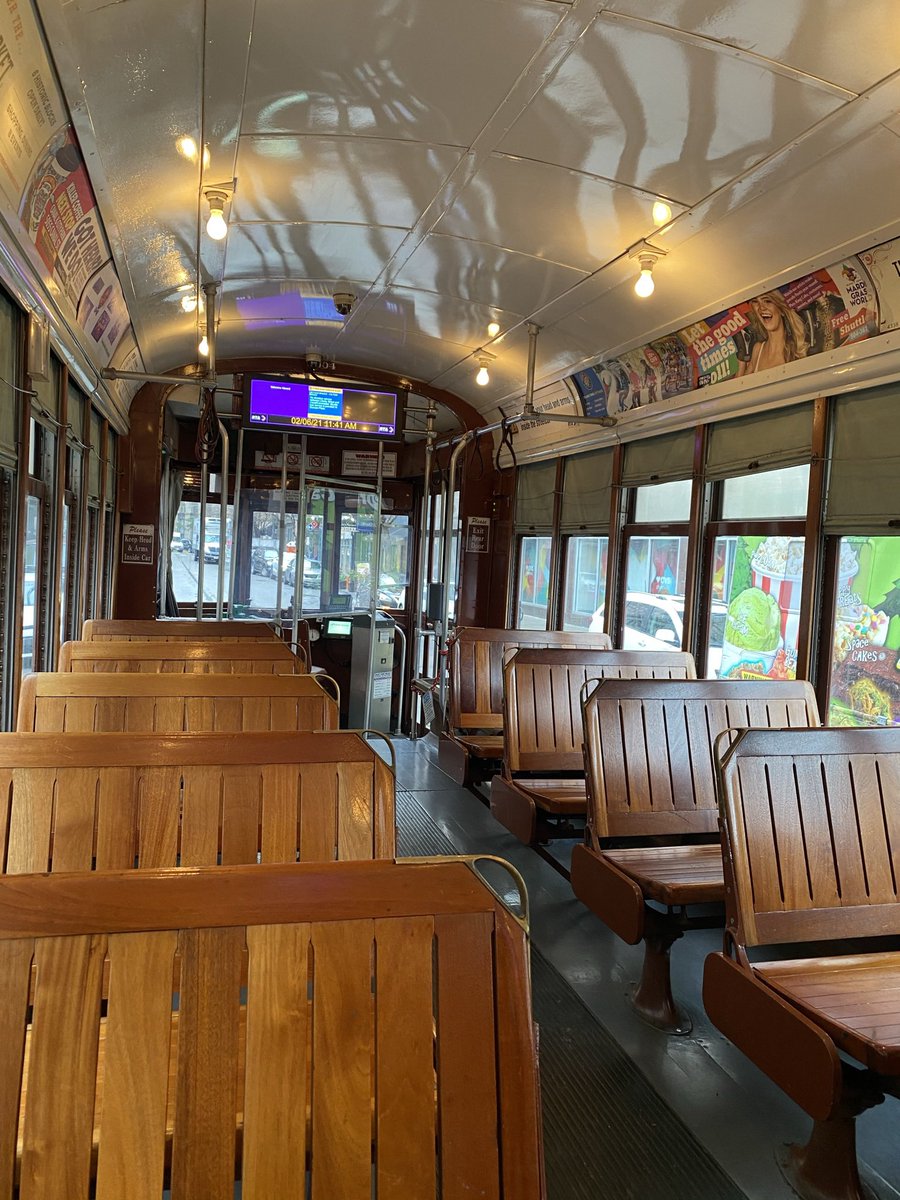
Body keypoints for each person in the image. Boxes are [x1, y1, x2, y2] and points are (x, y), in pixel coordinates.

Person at [735, 291, 809, 376]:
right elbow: (742, 386)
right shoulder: (758, 350)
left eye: (767, 301)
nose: (761, 308)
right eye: (755, 302)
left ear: (781, 310)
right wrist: (741, 360)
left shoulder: (799, 348)